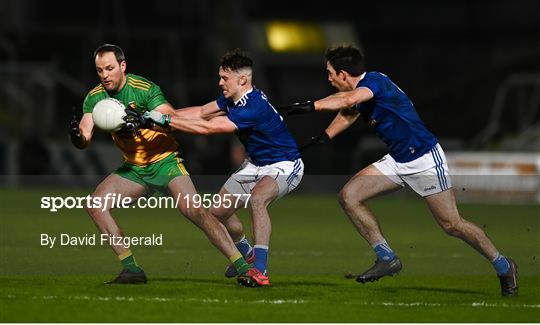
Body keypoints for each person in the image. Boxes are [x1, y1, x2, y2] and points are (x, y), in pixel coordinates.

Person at [278, 44, 518, 296]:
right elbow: (349, 111)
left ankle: (504, 265)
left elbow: (349, 100)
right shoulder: (362, 91)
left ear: (344, 74)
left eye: (330, 72)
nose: (328, 78)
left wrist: (308, 106)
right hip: (397, 160)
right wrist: (324, 137)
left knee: (451, 224)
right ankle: (387, 257)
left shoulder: (374, 82)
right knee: (349, 196)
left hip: (424, 158)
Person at [69, 44, 265, 286]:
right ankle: (132, 270)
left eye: (110, 68)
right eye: (100, 70)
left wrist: (143, 122)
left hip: (165, 162)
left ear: (123, 66)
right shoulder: (95, 98)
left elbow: (171, 119)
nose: (105, 75)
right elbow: (84, 136)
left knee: (195, 211)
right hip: (134, 169)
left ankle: (242, 266)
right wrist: (76, 136)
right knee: (95, 204)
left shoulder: (144, 89)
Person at [142, 49, 304, 286]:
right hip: (255, 164)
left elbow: (209, 128)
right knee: (216, 215)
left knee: (258, 200)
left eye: (224, 78)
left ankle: (259, 270)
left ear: (242, 80)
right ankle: (246, 252)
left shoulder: (254, 105)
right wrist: (157, 117)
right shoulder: (232, 100)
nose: (219, 82)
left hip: (284, 164)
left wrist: (166, 122)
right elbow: (199, 113)